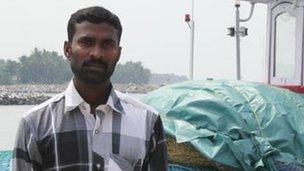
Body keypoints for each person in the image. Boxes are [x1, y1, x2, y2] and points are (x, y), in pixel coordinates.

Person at [12, 6, 167, 171]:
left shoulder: (147, 122)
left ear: (118, 53)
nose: (97, 53)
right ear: (67, 50)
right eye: (87, 42)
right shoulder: (35, 124)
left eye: (107, 44)